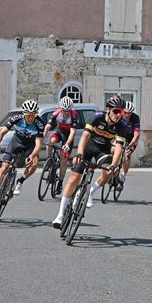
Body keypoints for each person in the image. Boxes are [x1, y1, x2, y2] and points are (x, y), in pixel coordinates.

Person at [52, 95, 128, 228]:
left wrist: (114, 165)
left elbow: (119, 148)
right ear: (108, 110)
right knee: (73, 179)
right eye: (116, 111)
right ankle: (60, 215)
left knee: (108, 172)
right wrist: (79, 153)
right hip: (88, 147)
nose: (118, 115)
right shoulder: (97, 116)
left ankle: (91, 191)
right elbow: (85, 135)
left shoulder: (122, 125)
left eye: (121, 112)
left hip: (102, 151)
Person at [0, 100, 44, 212]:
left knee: (34, 164)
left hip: (30, 146)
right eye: (28, 115)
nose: (31, 118)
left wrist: (33, 155)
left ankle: (20, 181)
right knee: (3, 168)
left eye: (33, 115)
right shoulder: (17, 118)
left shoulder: (39, 124)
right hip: (16, 142)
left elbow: (39, 144)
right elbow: (1, 133)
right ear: (24, 114)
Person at [43, 97, 78, 194]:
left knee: (63, 160)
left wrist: (67, 144)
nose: (66, 113)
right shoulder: (56, 113)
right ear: (61, 108)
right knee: (51, 141)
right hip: (59, 131)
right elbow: (48, 126)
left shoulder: (74, 115)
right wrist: (42, 135)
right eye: (64, 111)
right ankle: (49, 159)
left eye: (68, 111)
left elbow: (73, 131)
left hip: (68, 136)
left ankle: (60, 183)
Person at [117, 101, 141, 190]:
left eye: (129, 113)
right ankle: (114, 171)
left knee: (127, 156)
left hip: (131, 139)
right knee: (113, 151)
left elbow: (137, 135)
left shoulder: (135, 118)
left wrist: (130, 145)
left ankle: (122, 178)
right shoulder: (118, 116)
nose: (127, 115)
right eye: (125, 113)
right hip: (120, 136)